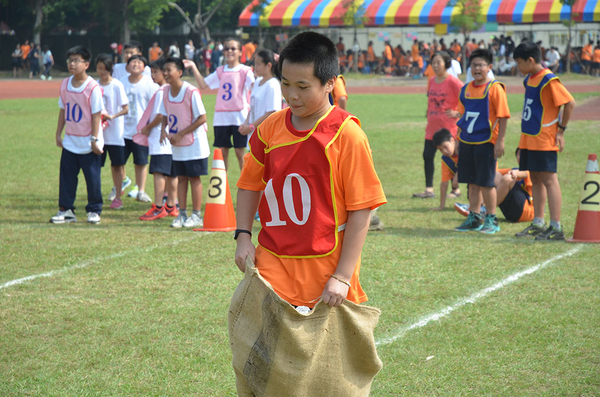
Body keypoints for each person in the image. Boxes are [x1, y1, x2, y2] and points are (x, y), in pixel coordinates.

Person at [233, 32, 386, 391]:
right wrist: (243, 236)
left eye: (303, 86)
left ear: (330, 83)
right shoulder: (269, 128)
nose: (292, 95)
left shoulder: (346, 135)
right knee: (267, 367)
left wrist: (344, 276)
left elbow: (362, 210)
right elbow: (249, 184)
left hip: (324, 272)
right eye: (285, 83)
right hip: (272, 267)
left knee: (325, 375)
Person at [513, 41, 575, 241]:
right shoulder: (529, 78)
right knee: (536, 179)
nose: (517, 67)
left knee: (549, 179)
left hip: (544, 138)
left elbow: (570, 102)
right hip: (529, 138)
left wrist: (561, 131)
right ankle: (538, 223)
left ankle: (556, 227)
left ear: (530, 60)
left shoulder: (549, 80)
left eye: (519, 63)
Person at [450, 48, 510, 234]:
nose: (477, 68)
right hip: (468, 141)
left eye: (481, 65)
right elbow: (463, 116)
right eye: (474, 65)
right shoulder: (466, 89)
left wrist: (500, 141)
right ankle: (474, 217)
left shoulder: (495, 89)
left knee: (486, 182)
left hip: (486, 142)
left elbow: (504, 116)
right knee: (472, 182)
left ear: (489, 67)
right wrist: (458, 139)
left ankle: (491, 219)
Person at [50, 46, 104, 225]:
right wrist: (59, 133)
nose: (72, 64)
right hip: (71, 140)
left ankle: (94, 210)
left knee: (92, 178)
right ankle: (66, 210)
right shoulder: (65, 84)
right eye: (70, 60)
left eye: (76, 60)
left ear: (86, 64)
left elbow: (97, 114)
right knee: (66, 177)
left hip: (89, 141)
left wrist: (94, 139)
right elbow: (63, 110)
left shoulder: (93, 87)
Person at [187, 38, 255, 171]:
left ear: (240, 52)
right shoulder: (220, 71)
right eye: (227, 48)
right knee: (223, 152)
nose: (230, 51)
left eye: (233, 48)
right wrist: (194, 67)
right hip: (221, 118)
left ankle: (245, 186)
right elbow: (203, 84)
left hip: (239, 117)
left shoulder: (245, 71)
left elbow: (254, 87)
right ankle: (223, 187)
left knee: (239, 152)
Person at [159, 57, 210, 228]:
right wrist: (163, 130)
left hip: (194, 143)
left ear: (179, 73)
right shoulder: (165, 91)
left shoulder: (190, 91)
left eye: (169, 70)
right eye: (164, 70)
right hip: (177, 143)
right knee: (181, 178)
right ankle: (182, 214)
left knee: (194, 178)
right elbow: (165, 113)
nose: (165, 73)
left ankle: (196, 215)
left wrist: (181, 133)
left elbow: (202, 118)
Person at [413, 51, 462, 200]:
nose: (435, 65)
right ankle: (429, 189)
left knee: (452, 158)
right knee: (427, 155)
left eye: (438, 62)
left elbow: (468, 97)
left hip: (448, 128)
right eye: (433, 62)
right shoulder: (432, 80)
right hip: (432, 127)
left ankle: (455, 189)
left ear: (446, 64)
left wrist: (458, 113)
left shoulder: (453, 81)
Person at [138, 59, 179, 221]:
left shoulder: (162, 91)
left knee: (158, 171)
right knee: (171, 173)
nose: (153, 75)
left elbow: (160, 114)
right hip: (171, 137)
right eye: (152, 72)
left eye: (156, 72)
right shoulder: (171, 90)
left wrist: (148, 128)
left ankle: (158, 207)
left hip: (160, 138)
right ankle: (171, 206)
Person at [454, 148, 535, 224]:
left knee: (508, 178)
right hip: (510, 213)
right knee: (495, 175)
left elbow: (525, 173)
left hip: (526, 212)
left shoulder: (533, 171)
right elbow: (493, 174)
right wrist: (492, 158)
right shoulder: (514, 169)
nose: (522, 158)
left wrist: (515, 173)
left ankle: (485, 210)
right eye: (520, 155)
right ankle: (478, 206)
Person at [119, 54, 158, 203]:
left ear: (144, 67)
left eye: (139, 62)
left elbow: (154, 107)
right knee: (118, 162)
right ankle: (118, 189)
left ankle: (140, 190)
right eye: (132, 62)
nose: (135, 64)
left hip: (141, 132)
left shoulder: (150, 84)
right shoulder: (121, 83)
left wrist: (149, 127)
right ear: (127, 66)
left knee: (141, 162)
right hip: (122, 131)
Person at [96, 54, 130, 210]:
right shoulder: (95, 85)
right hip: (99, 134)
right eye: (98, 69)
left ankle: (118, 197)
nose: (101, 72)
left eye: (104, 69)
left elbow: (126, 108)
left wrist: (112, 116)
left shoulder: (117, 85)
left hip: (115, 133)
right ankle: (95, 196)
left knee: (117, 166)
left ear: (110, 69)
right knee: (95, 166)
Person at [239, 50, 282, 139]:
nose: (255, 67)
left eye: (258, 64)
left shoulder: (273, 84)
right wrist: (245, 124)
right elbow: (253, 106)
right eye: (255, 64)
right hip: (253, 134)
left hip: (265, 135)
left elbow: (271, 112)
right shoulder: (257, 81)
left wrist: (251, 127)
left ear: (268, 65)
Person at [431, 128, 460, 211]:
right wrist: (441, 206)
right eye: (440, 149)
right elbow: (444, 183)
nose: (444, 151)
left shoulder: (464, 148)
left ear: (452, 140)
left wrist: (458, 175)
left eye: (445, 147)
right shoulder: (446, 160)